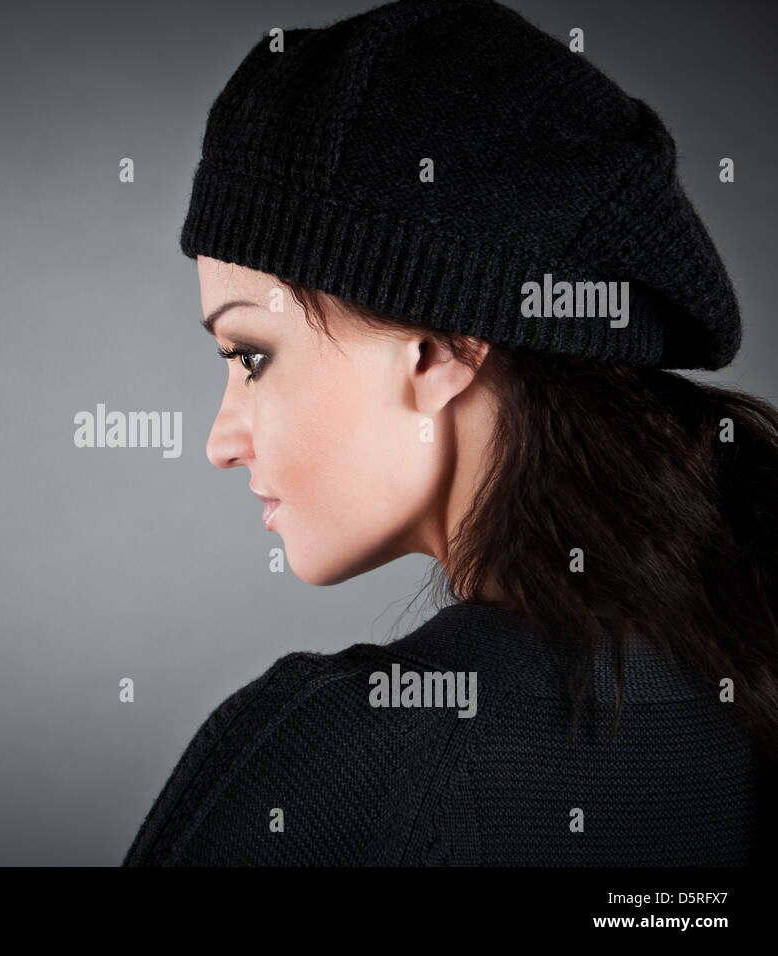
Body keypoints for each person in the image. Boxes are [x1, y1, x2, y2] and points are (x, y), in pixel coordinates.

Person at [122, 0, 778, 866]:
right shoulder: (739, 693)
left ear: (436, 354)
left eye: (250, 355)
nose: (221, 438)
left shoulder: (346, 762)